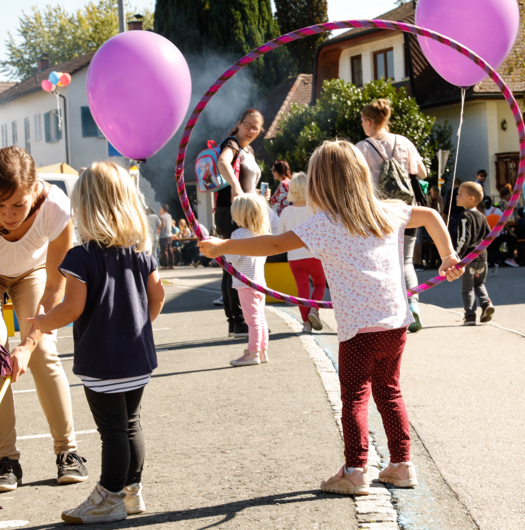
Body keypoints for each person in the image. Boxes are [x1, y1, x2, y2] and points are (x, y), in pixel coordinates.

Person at [198, 139, 464, 496]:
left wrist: (223, 246)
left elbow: (273, 245)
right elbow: (431, 215)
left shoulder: (326, 223)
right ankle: (402, 464)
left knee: (354, 396)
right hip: (395, 323)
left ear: (320, 185)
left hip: (358, 329)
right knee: (389, 391)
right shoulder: (388, 211)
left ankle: (356, 470)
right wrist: (447, 256)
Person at [25, 162, 165, 524]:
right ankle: (131, 492)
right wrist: (140, 325)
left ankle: (109, 494)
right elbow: (158, 296)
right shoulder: (140, 253)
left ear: (84, 207)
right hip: (137, 356)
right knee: (131, 423)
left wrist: (41, 322)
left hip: (104, 359)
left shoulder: (81, 257)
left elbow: (71, 307)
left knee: (113, 430)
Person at [0, 146, 87, 493]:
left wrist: (28, 344)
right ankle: (7, 459)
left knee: (43, 353)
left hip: (33, 272)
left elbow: (55, 288)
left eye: (18, 205)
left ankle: (67, 451)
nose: (8, 215)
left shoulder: (56, 209)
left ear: (35, 190)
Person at [355, 98, 428, 333]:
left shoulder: (362, 147)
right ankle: (414, 305)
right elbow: (423, 173)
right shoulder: (404, 142)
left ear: (367, 122)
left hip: (379, 213)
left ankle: (391, 312)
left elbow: (356, 181)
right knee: (406, 261)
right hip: (408, 210)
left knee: (384, 262)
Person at [216, 109, 264, 338]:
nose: (252, 130)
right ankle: (237, 321)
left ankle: (239, 322)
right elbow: (223, 162)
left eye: (256, 127)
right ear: (239, 124)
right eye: (248, 124)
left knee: (236, 263)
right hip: (231, 211)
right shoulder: (233, 143)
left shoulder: (249, 149)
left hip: (245, 212)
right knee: (233, 264)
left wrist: (254, 193)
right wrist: (236, 187)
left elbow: (247, 180)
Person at [222, 195, 272, 366]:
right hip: (259, 283)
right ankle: (262, 351)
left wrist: (222, 250)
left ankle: (252, 353)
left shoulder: (238, 235)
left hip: (245, 284)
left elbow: (232, 258)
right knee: (260, 318)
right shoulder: (261, 233)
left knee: (252, 320)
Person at [277, 172, 326, 333]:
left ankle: (306, 323)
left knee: (302, 290)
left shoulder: (286, 212)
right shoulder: (316, 209)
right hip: (314, 255)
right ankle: (314, 310)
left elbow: (280, 234)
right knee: (319, 284)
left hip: (295, 258)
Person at [452, 182, 494, 326]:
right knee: (479, 283)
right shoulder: (482, 216)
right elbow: (489, 235)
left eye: (460, 194)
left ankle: (470, 316)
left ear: (471, 198)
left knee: (467, 287)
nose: (457, 196)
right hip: (482, 257)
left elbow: (464, 238)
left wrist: (457, 256)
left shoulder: (465, 216)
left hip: (468, 258)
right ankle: (486, 304)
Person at [156, 204, 174, 269]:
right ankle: (171, 264)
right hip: (169, 235)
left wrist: (158, 226)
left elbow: (163, 226)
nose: (160, 210)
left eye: (160, 209)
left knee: (164, 250)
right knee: (170, 250)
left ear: (163, 209)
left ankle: (165, 265)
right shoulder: (169, 215)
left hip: (163, 235)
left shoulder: (162, 216)